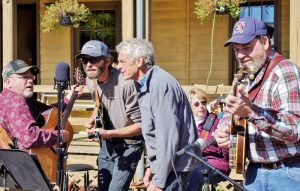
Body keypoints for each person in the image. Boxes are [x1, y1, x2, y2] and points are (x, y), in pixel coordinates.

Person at [214, 16, 300, 191]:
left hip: (286, 174)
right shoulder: (245, 75)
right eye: (236, 49)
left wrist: (251, 113)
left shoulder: (285, 71)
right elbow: (231, 114)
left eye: (247, 48)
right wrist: (224, 129)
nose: (240, 55)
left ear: (265, 42)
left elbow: (295, 129)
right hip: (253, 173)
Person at [116, 38, 200, 191]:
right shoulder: (142, 84)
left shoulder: (161, 84)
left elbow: (168, 137)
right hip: (166, 166)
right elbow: (153, 132)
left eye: (122, 61)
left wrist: (159, 180)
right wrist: (151, 167)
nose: (118, 66)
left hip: (175, 167)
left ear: (139, 62)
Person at [75, 40, 144, 191]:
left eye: (93, 59)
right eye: (84, 60)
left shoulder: (126, 83)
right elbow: (99, 106)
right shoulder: (90, 80)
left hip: (129, 144)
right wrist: (93, 120)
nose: (88, 65)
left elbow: (140, 126)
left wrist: (107, 133)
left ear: (107, 61)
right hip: (107, 145)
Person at [0, 59, 80, 150]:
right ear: (8, 82)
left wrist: (69, 97)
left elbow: (48, 112)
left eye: (31, 77)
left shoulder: (5, 99)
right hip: (20, 163)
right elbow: (29, 137)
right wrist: (60, 135)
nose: (30, 81)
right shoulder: (16, 102)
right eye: (24, 77)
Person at [187, 88, 230, 191]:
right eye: (196, 104)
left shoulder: (216, 122)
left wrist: (224, 142)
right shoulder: (186, 123)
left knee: (194, 174)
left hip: (216, 163)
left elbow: (226, 156)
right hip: (191, 163)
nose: (201, 106)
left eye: (203, 102)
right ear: (189, 106)